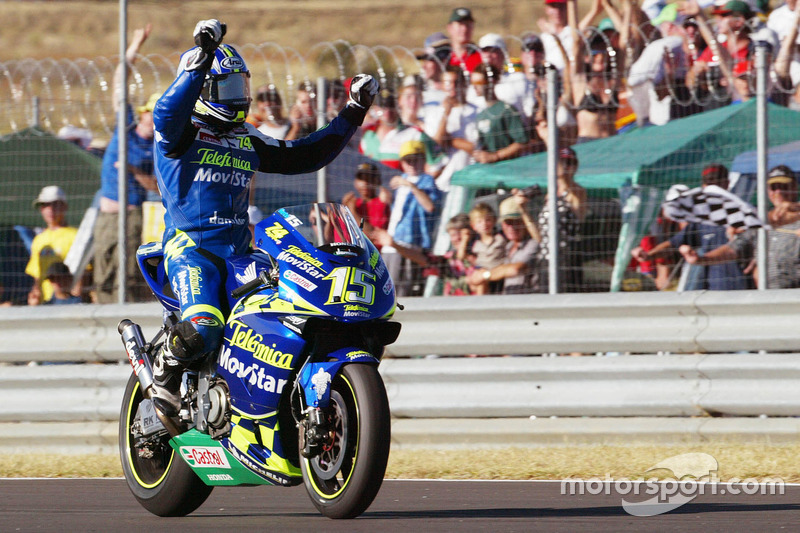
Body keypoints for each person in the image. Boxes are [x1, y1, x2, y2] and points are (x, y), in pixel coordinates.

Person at [149, 19, 379, 415]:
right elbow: (166, 112)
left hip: (242, 252)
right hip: (191, 250)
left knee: (288, 310)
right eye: (227, 88)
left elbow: (305, 154)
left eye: (242, 88)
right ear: (204, 88)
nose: (238, 98)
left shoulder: (247, 138)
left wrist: (353, 112)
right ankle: (164, 370)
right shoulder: (179, 133)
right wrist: (202, 57)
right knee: (204, 326)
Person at [94, 24, 159, 304]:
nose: (152, 119)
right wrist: (136, 43)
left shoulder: (158, 148)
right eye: (151, 113)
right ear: (144, 113)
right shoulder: (126, 127)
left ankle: (124, 316)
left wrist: (133, 171)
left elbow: (156, 186)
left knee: (129, 274)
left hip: (131, 214)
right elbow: (120, 79)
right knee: (103, 269)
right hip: (108, 212)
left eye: (158, 116)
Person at [631, 164, 753, 291]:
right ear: (703, 187)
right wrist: (648, 255)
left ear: (727, 184)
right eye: (709, 183)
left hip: (742, 292)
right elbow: (674, 244)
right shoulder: (701, 219)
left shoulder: (744, 212)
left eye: (718, 182)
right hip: (712, 292)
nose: (713, 188)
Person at [679, 165, 800, 289]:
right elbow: (732, 249)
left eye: (784, 186)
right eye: (774, 187)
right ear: (768, 191)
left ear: (795, 187)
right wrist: (701, 259)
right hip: (769, 297)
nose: (778, 192)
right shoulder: (758, 222)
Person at [381, 140, 442, 297]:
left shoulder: (426, 181)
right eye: (408, 160)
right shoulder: (400, 181)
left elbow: (429, 206)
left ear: (423, 160)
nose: (412, 164)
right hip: (391, 243)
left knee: (401, 292)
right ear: (402, 162)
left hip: (409, 245)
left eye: (416, 159)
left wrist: (410, 185)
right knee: (385, 289)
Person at [371, 213, 477, 296]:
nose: (456, 238)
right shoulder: (449, 260)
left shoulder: (482, 253)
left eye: (460, 234)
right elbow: (425, 260)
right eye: (452, 235)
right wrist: (394, 245)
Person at [536, 147, 587, 292]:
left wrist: (549, 141)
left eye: (570, 163)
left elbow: (567, 182)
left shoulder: (577, 192)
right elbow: (540, 236)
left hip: (567, 260)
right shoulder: (549, 194)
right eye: (562, 162)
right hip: (546, 259)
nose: (566, 166)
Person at [468, 195, 541, 294]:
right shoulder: (508, 246)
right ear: (502, 225)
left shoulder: (533, 244)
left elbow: (515, 269)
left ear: (524, 223)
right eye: (507, 223)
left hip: (529, 301)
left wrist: (485, 275)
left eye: (516, 222)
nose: (511, 227)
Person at [25, 186, 79, 306]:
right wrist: (35, 296)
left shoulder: (76, 236)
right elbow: (37, 275)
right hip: (44, 305)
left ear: (65, 207)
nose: (50, 210)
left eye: (54, 204)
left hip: (68, 303)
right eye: (45, 205)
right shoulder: (39, 240)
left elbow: (85, 273)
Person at [470, 63, 529, 165]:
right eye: (472, 82)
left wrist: (496, 156)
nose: (474, 86)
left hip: (509, 168)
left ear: (491, 82)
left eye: (478, 82)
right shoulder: (481, 114)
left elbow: (522, 143)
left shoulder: (506, 110)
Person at [341, 162, 391, 237]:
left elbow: (372, 234)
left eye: (369, 179)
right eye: (361, 179)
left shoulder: (381, 204)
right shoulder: (352, 202)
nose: (365, 182)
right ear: (355, 182)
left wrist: (351, 212)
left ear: (377, 181)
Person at [467, 202, 507, 294]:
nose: (484, 224)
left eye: (488, 220)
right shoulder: (474, 243)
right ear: (474, 226)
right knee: (480, 282)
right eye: (479, 221)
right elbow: (465, 256)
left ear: (494, 221)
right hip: (483, 272)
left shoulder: (501, 237)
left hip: (499, 271)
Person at [445, 7, 482, 73]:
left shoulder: (481, 56)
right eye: (460, 24)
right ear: (449, 28)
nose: (464, 29)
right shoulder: (443, 56)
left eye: (468, 24)